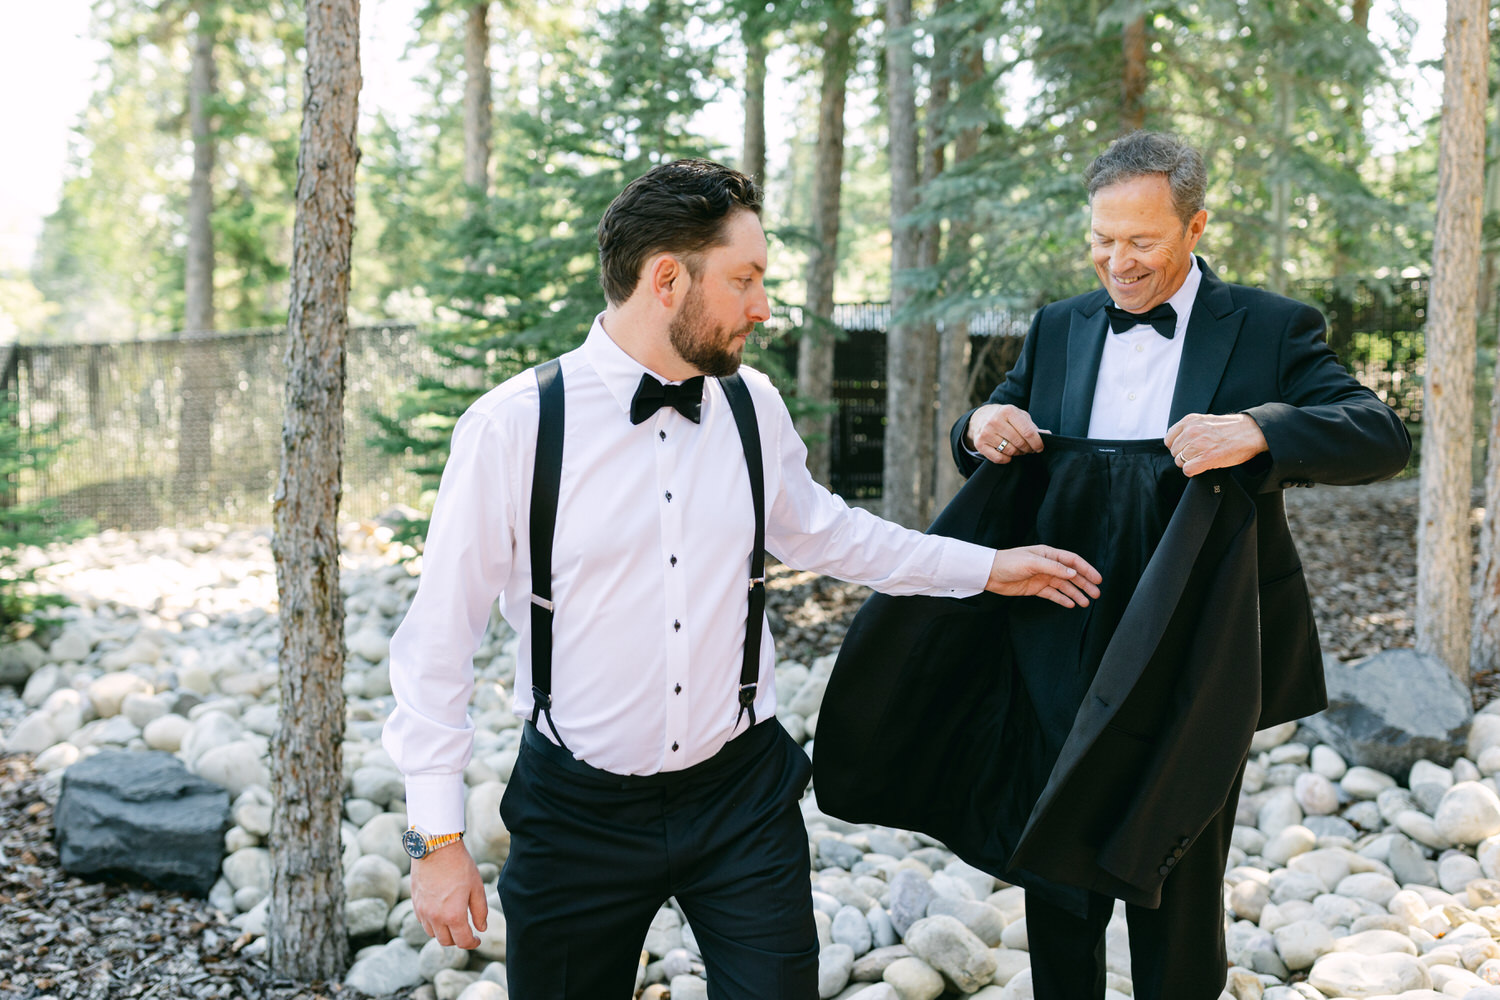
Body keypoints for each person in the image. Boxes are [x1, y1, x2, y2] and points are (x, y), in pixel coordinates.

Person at [381, 158, 1102, 1000]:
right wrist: (437, 841)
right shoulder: (514, 429)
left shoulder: (750, 403)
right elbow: (439, 644)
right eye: (746, 279)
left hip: (740, 797)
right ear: (665, 279)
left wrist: (986, 569)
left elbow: (828, 531)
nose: (764, 307)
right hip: (575, 812)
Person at [949, 131, 1411, 999]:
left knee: (1179, 870)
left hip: (1198, 635)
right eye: (1100, 239)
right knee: (1055, 859)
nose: (1116, 263)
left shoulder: (1271, 327)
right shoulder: (1058, 326)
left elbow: (1380, 434)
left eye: (1141, 242)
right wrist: (977, 427)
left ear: (1195, 225)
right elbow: (1000, 417)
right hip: (1060, 620)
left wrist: (1262, 428)